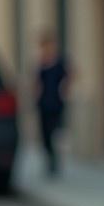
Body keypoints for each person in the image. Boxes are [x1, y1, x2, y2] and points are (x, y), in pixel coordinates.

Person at [35, 29, 71, 176]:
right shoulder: (41, 62)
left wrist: (65, 90)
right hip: (43, 102)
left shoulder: (60, 61)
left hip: (56, 102)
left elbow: (70, 75)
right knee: (44, 134)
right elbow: (37, 82)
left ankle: (55, 160)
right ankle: (49, 158)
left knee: (55, 131)